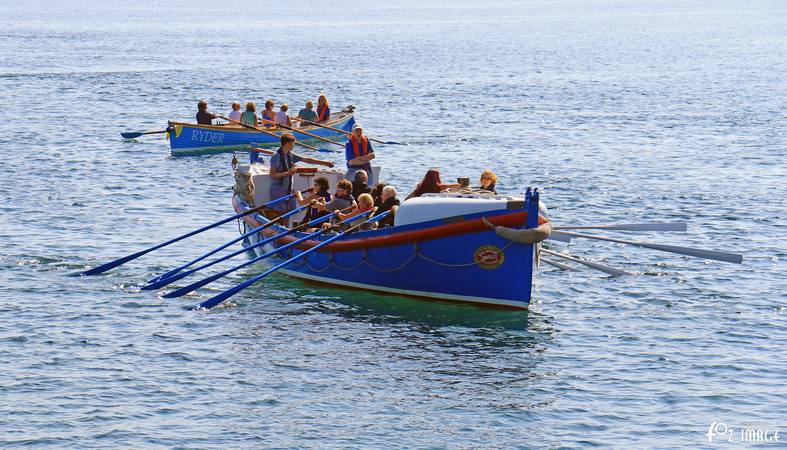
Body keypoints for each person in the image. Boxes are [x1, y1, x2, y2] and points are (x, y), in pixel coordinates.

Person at [269, 133, 335, 220]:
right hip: (278, 189)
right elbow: (272, 174)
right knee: (280, 214)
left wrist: (325, 163)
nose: (294, 145)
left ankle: (285, 229)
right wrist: (287, 173)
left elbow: (306, 159)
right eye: (293, 143)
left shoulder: (290, 155)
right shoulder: (276, 157)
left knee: (288, 213)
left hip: (288, 190)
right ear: (288, 144)